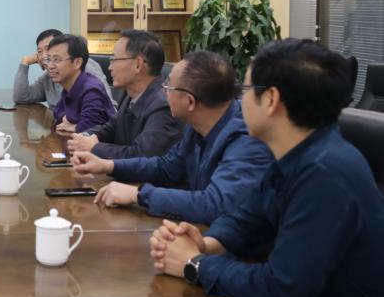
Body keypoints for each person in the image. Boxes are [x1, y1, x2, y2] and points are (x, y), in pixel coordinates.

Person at [150, 39, 384, 297]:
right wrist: (205, 243)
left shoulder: (325, 172)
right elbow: (248, 218)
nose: (238, 101)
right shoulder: (296, 152)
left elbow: (282, 287)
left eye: (246, 91)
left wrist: (195, 264)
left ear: (271, 100)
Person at [71, 50, 272, 225]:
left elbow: (215, 204)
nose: (163, 92)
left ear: (190, 101)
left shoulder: (247, 139)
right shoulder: (196, 126)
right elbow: (165, 167)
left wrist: (138, 195)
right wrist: (107, 166)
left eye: (168, 87)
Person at [67, 30, 182, 159]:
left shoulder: (163, 105)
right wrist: (85, 137)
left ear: (138, 64)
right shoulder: (131, 94)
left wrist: (95, 147)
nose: (110, 67)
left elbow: (142, 155)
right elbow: (111, 128)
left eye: (114, 59)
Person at [13, 28, 113, 108]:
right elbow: (21, 97)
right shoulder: (50, 76)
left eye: (48, 48)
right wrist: (25, 62)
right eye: (39, 52)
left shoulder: (85, 67)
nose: (44, 56)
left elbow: (109, 107)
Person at [46, 34, 115, 133]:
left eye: (57, 59)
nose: (50, 66)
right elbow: (57, 111)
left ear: (77, 63)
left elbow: (90, 129)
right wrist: (69, 119)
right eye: (49, 59)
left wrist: (76, 127)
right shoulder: (70, 86)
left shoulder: (92, 91)